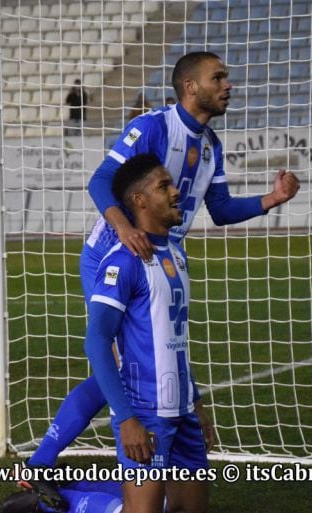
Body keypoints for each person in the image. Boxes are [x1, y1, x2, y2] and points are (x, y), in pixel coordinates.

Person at [26, 50, 298, 475]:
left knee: (143, 362)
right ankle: (49, 462)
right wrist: (124, 229)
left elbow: (221, 209)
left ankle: (52, 463)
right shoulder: (153, 126)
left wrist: (272, 200)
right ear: (191, 87)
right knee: (123, 366)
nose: (229, 85)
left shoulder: (211, 146)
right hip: (116, 254)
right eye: (218, 78)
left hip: (163, 256)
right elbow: (100, 180)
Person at [86, 153, 209, 512]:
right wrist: (126, 418)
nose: (176, 192)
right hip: (145, 412)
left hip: (183, 411)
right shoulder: (122, 261)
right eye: (164, 186)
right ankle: (53, 504)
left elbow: (177, 340)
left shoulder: (177, 254)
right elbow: (96, 342)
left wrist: (196, 403)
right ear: (139, 200)